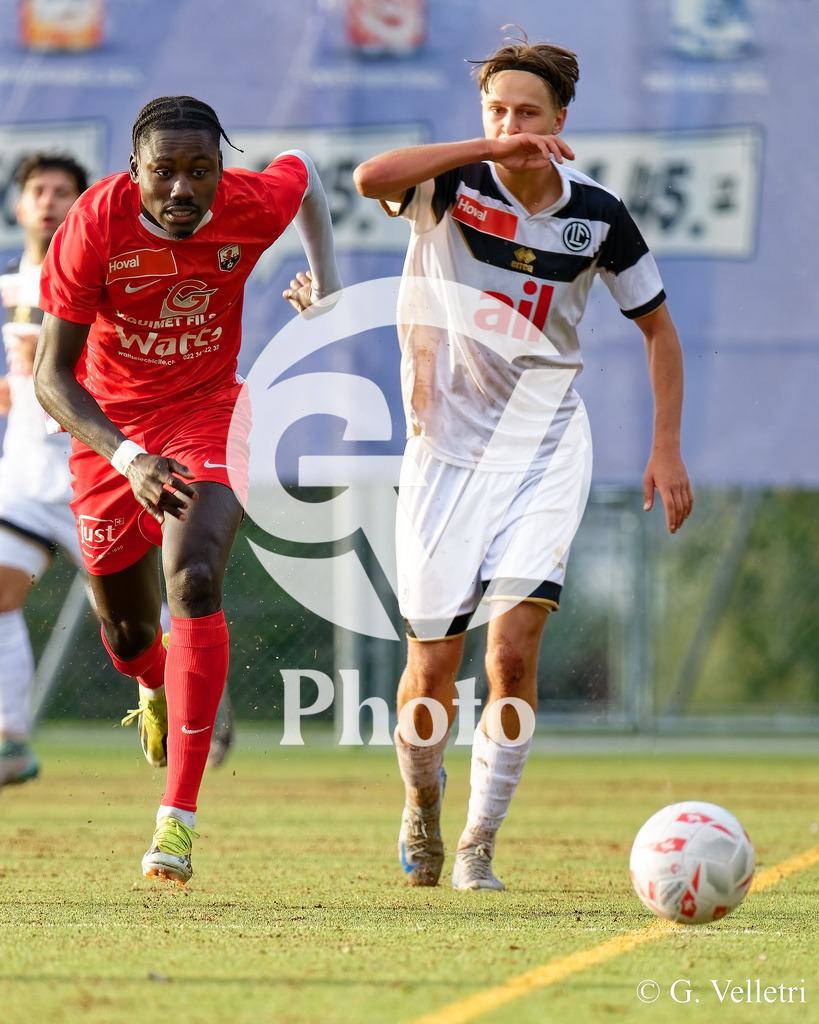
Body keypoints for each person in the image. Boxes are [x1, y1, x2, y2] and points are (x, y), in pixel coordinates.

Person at [353, 34, 693, 890]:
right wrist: (485, 146)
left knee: (511, 653)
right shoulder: (449, 184)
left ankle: (477, 843)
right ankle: (422, 801)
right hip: (442, 455)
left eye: (526, 113)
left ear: (560, 121)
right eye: (495, 110)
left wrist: (664, 447)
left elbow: (657, 329)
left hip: (543, 447)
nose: (509, 124)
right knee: (431, 670)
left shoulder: (598, 216)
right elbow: (368, 177)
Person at [34, 95, 341, 884]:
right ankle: (156, 681)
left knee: (195, 577)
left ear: (219, 172)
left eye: (200, 170)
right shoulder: (94, 225)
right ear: (134, 170)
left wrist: (329, 287)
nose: (182, 188)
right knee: (129, 637)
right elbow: (52, 379)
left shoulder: (249, 204)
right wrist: (128, 456)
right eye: (163, 171)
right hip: (111, 433)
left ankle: (176, 821)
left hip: (209, 412)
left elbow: (305, 176)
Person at [0, 153, 88, 788]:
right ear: (19, 205)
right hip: (26, 478)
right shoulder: (7, 286)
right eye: (38, 190)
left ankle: (201, 711)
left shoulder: (100, 275)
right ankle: (10, 737)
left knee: (139, 626)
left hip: (97, 472)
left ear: (82, 205)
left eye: (63, 191)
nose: (50, 201)